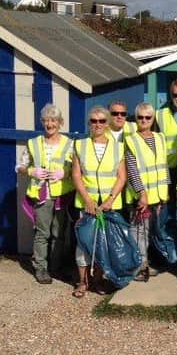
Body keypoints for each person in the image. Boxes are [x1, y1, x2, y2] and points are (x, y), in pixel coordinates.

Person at [71, 106, 127, 298]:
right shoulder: (80, 145)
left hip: (109, 204)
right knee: (83, 242)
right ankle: (82, 281)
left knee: (104, 242)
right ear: (89, 123)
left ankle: (98, 279)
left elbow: (122, 177)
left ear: (108, 123)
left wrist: (111, 199)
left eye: (102, 121)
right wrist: (88, 200)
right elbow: (76, 175)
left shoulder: (118, 147)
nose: (98, 124)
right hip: (87, 203)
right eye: (94, 121)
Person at [16, 104, 74, 284]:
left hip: (62, 195)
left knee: (59, 233)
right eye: (46, 120)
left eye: (53, 120)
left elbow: (77, 168)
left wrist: (65, 173)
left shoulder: (69, 143)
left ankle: (56, 268)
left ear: (60, 123)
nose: (50, 124)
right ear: (42, 122)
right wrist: (32, 171)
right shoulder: (33, 143)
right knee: (43, 233)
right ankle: (41, 268)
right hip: (42, 195)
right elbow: (19, 167)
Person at [124, 102, 170, 281]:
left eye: (147, 117)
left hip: (157, 195)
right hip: (140, 197)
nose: (144, 121)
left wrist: (164, 193)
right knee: (138, 233)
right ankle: (139, 267)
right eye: (140, 117)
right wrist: (141, 194)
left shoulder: (160, 138)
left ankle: (145, 263)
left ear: (152, 119)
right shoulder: (131, 140)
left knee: (150, 233)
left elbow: (163, 165)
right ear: (136, 119)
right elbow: (132, 169)